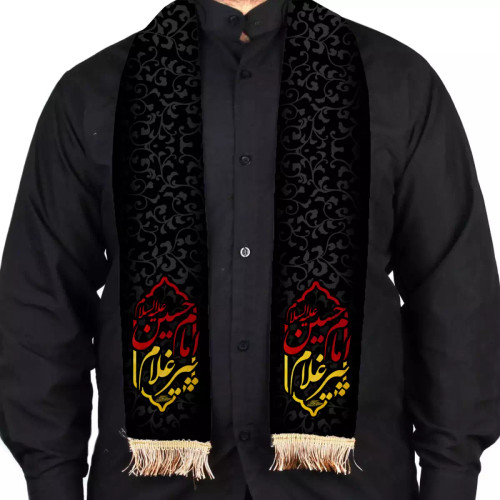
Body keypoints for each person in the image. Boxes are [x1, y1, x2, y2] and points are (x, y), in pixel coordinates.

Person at [1, 1, 499, 499]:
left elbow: (456, 297)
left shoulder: (396, 83)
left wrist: (451, 477)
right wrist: (51, 478)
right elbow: (41, 303)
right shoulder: (94, 93)